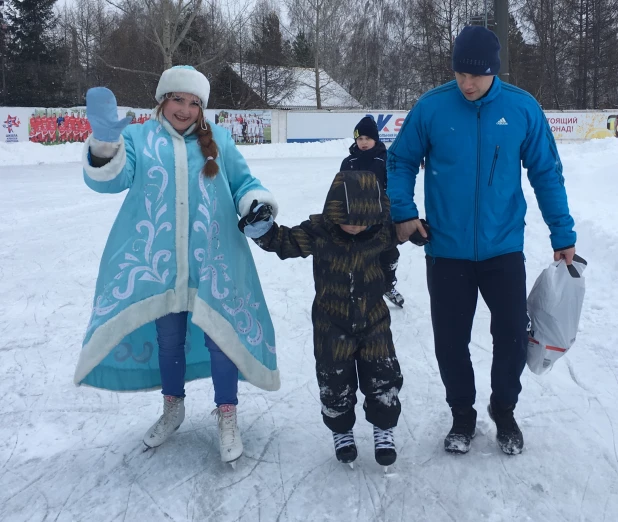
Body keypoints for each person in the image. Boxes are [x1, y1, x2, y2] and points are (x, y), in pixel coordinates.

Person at [73, 65, 280, 465]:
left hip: (214, 258)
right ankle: (173, 408)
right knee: (169, 340)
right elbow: (111, 180)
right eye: (177, 100)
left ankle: (227, 415)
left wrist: (256, 204)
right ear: (162, 100)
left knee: (220, 338)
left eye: (194, 103)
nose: (185, 110)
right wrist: (103, 143)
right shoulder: (137, 137)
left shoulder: (217, 139)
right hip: (158, 263)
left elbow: (244, 183)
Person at [386, 26, 577, 456]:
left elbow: (546, 172)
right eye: (460, 73)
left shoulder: (522, 109)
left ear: (495, 71)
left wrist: (562, 233)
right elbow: (400, 160)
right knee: (450, 340)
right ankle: (462, 415)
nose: (467, 83)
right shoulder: (433, 108)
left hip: (503, 248)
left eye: (476, 75)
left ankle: (504, 409)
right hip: (446, 249)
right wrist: (404, 212)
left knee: (511, 335)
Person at [238, 170, 405, 469]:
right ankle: (342, 431)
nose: (355, 226)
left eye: (362, 220)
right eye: (348, 218)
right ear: (333, 210)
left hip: (374, 320)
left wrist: (421, 230)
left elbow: (407, 233)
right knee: (334, 380)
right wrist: (262, 228)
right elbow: (284, 241)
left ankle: (384, 428)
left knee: (383, 376)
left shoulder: (381, 231)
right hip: (332, 324)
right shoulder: (320, 231)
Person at [340, 115, 404, 307]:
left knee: (389, 252)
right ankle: (358, 290)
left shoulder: (384, 160)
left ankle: (387, 284)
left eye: (367, 138)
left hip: (381, 216)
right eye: (360, 139)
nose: (364, 142)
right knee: (359, 255)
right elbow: (340, 189)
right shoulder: (348, 162)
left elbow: (392, 186)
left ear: (375, 139)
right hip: (356, 217)